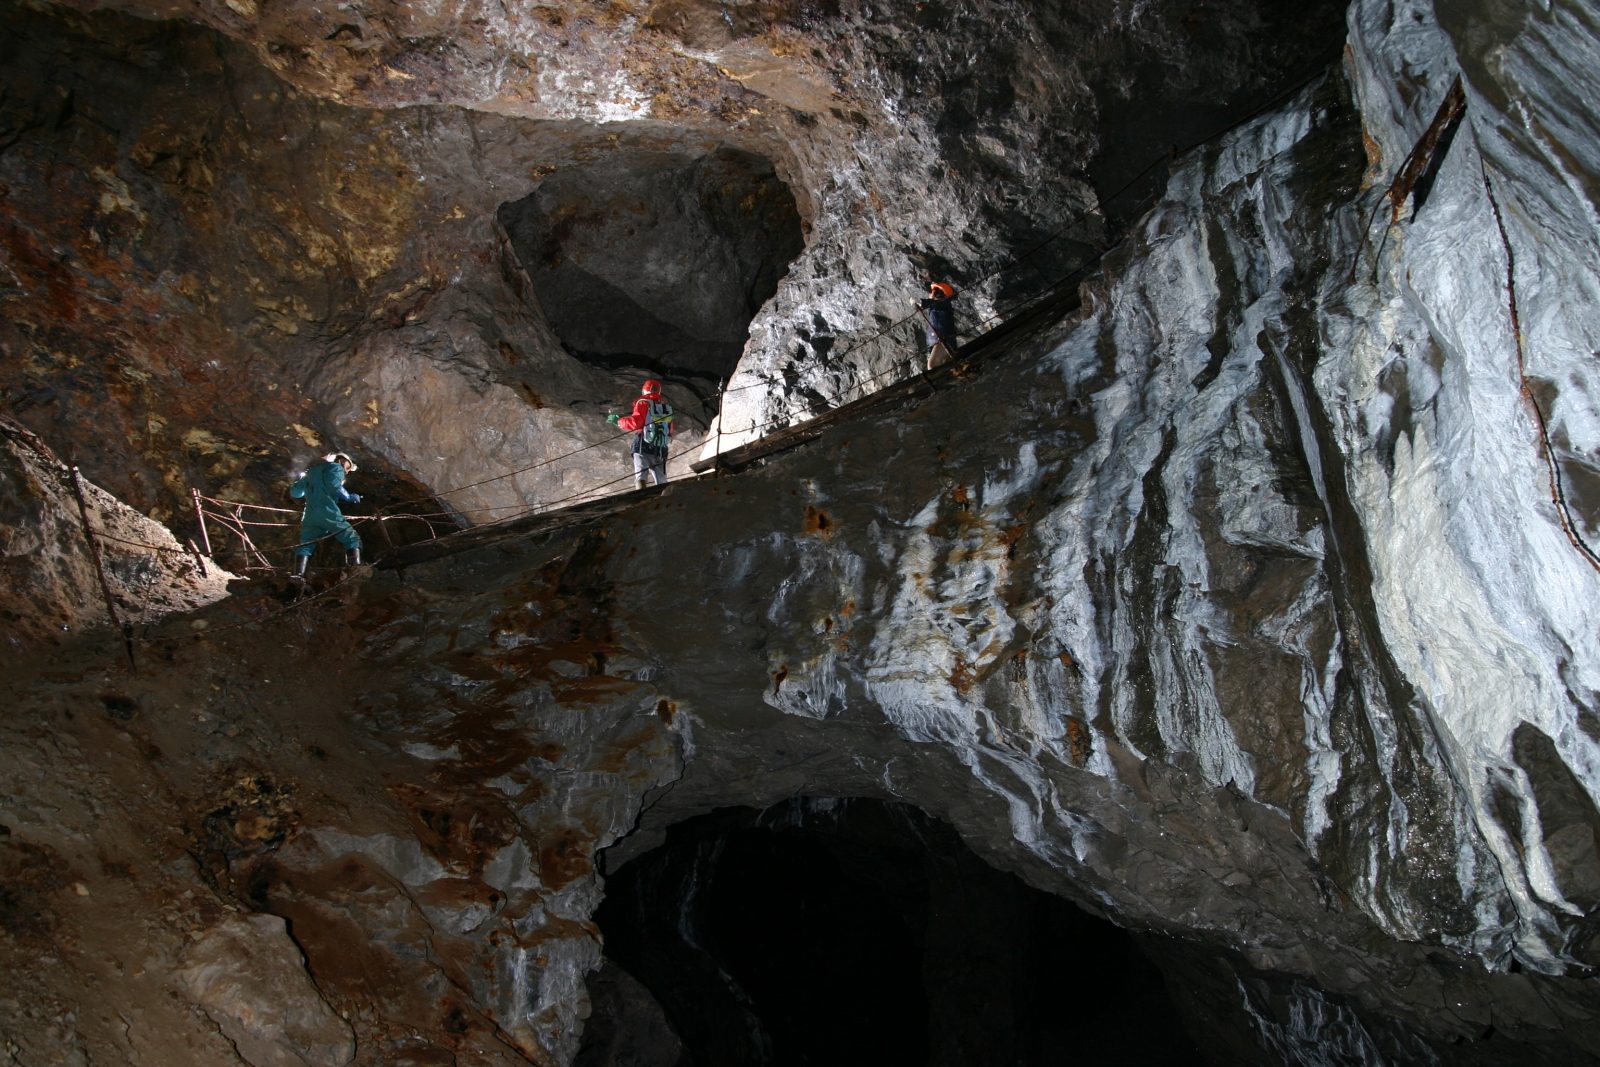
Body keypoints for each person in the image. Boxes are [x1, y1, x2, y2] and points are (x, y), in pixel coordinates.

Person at [288, 452, 363, 578]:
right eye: (348, 468)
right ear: (342, 461)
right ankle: (354, 572)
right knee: (352, 538)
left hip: (310, 515)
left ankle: (298, 576)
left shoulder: (310, 472)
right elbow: (334, 486)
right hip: (327, 510)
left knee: (306, 544)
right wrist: (350, 497)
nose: (347, 472)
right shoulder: (336, 467)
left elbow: (295, 492)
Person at [607, 379, 674, 489]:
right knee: (661, 478)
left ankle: (641, 496)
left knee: (641, 474)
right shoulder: (665, 407)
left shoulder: (643, 402)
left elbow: (635, 423)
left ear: (644, 390)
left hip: (643, 445)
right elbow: (670, 430)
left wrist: (618, 421)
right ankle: (665, 496)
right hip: (660, 449)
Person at [918, 281, 958, 370]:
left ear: (937, 293)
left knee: (932, 365)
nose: (930, 292)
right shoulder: (936, 307)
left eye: (933, 290)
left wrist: (920, 302)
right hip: (937, 342)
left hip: (943, 340)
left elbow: (933, 304)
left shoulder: (944, 304)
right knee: (938, 365)